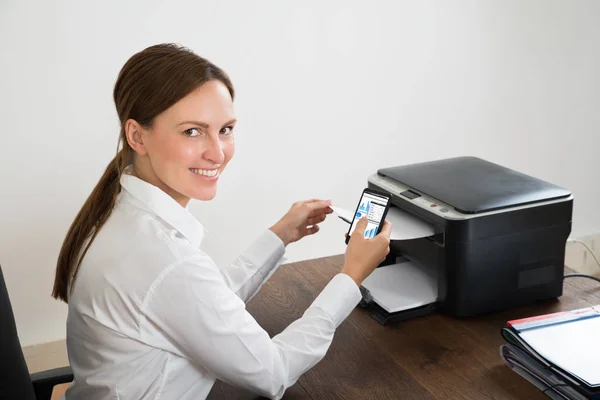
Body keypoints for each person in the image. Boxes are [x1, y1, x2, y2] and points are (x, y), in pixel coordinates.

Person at [51, 43, 391, 400]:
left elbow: (201, 304)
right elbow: (274, 372)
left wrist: (280, 236)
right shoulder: (165, 260)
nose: (217, 153)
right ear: (137, 136)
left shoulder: (120, 215)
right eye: (192, 131)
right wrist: (351, 274)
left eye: (225, 129)